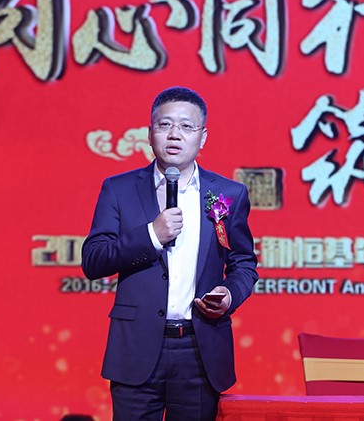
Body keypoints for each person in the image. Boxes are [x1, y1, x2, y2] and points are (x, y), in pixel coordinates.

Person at [81, 86, 259, 420]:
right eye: (165, 125)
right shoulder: (119, 189)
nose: (175, 134)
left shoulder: (229, 194)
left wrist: (229, 295)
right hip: (136, 348)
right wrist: (152, 235)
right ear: (150, 134)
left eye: (186, 126)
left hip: (199, 348)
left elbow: (244, 263)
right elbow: (94, 259)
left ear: (202, 138)